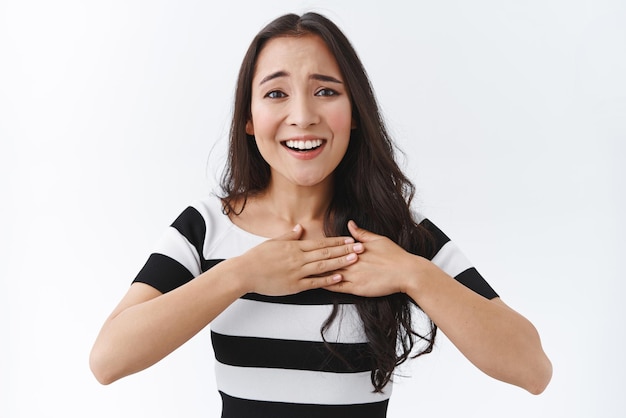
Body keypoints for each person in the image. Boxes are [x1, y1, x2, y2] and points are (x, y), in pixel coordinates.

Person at [89, 12, 552, 417]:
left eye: (326, 91)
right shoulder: (206, 228)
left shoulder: (399, 236)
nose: (303, 115)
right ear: (248, 118)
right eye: (275, 94)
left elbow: (533, 369)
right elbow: (108, 359)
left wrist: (415, 275)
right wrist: (241, 274)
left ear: (354, 112)